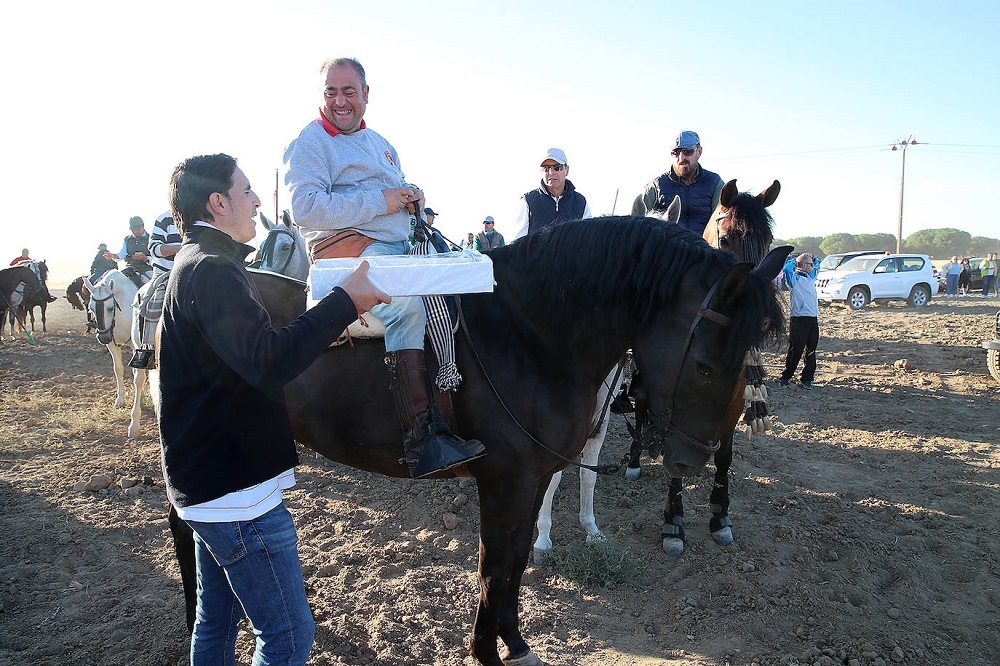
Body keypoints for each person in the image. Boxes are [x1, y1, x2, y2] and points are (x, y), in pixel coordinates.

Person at [159, 153, 388, 666]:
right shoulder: (215, 271)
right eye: (246, 191)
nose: (257, 201)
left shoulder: (196, 263)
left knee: (215, 622)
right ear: (217, 203)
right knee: (287, 637)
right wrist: (345, 302)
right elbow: (268, 360)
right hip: (236, 494)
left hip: (209, 487)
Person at [283, 57, 485, 478]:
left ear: (366, 94)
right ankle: (422, 439)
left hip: (393, 245)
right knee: (407, 303)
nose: (340, 101)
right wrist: (384, 201)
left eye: (349, 91)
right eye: (331, 92)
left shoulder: (381, 144)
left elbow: (392, 194)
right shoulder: (310, 143)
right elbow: (304, 208)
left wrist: (410, 197)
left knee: (461, 285)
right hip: (345, 251)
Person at [633, 130, 725, 235]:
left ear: (699, 151)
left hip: (704, 247)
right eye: (676, 152)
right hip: (667, 248)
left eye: (687, 151)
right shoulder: (657, 186)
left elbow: (721, 221)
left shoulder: (715, 183)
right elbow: (636, 220)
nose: (681, 158)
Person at [129, 210, 183, 369]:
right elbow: (155, 249)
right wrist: (181, 248)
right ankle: (148, 352)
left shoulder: (205, 215)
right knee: (152, 305)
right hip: (166, 273)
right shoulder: (165, 219)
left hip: (198, 271)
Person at [510, 148, 592, 241]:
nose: (551, 172)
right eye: (546, 168)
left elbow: (587, 240)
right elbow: (517, 242)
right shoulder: (528, 201)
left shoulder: (581, 202)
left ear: (567, 170)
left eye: (557, 167)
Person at [779, 252, 821, 390]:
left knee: (811, 349)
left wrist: (812, 257)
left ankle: (807, 378)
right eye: (809, 264)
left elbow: (819, 264)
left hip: (812, 319)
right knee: (796, 349)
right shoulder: (794, 279)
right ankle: (786, 377)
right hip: (799, 318)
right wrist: (794, 260)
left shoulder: (811, 277)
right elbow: (786, 269)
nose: (812, 266)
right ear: (803, 265)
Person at [107, 216, 152, 285]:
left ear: (143, 226)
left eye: (137, 229)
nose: (135, 231)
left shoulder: (151, 238)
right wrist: (113, 255)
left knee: (155, 284)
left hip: (146, 269)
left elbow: (157, 257)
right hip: (130, 267)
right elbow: (122, 254)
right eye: (133, 229)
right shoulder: (127, 239)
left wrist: (145, 258)